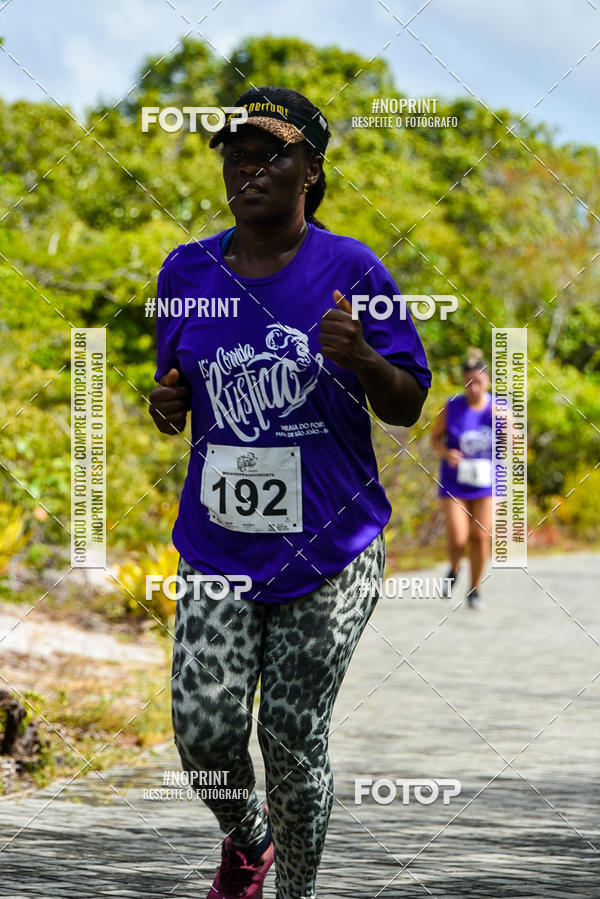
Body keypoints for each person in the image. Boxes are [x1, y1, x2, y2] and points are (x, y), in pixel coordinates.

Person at [148, 85, 431, 899]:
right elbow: (178, 390)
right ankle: (249, 841)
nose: (250, 167)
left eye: (272, 152)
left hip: (332, 549)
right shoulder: (185, 270)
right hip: (219, 544)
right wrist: (167, 407)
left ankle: (294, 893)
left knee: (292, 736)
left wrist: (363, 358)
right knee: (202, 733)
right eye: (237, 152)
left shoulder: (352, 268)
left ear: (311, 169)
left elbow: (408, 401)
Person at [431, 348, 493, 609]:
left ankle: (475, 588)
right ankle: (454, 567)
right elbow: (435, 439)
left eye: (478, 381)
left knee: (480, 536)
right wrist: (447, 452)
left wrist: (508, 427)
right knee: (458, 537)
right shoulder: (452, 406)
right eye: (468, 381)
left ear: (487, 381)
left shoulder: (499, 407)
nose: (474, 387)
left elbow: (513, 443)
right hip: (455, 481)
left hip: (487, 482)